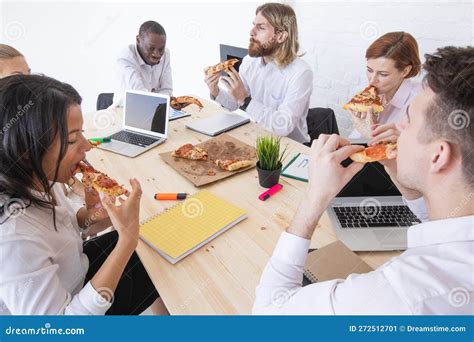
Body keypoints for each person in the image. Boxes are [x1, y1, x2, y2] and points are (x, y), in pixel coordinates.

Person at [253, 46, 473, 315]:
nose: (398, 128)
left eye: (409, 121)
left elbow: (267, 312)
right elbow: (446, 219)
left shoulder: (402, 297)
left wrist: (314, 197)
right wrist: (400, 169)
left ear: (438, 155)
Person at [0, 75, 168, 315]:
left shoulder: (41, 176)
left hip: (75, 267)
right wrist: (126, 242)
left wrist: (90, 217)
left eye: (82, 133)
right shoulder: (12, 239)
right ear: (26, 151)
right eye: (71, 140)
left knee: (158, 244)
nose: (87, 146)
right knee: (153, 260)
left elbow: (64, 231)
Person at [204, 3, 313, 144]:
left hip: (290, 147)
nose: (251, 32)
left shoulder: (301, 72)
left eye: (261, 27)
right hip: (257, 138)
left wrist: (246, 100)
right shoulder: (250, 61)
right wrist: (215, 91)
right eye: (254, 25)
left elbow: (283, 126)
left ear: (280, 36)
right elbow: (234, 103)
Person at [348, 32, 421, 142]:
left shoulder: (420, 104)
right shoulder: (371, 96)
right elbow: (354, 143)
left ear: (405, 71)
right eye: (369, 70)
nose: (372, 80)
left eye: (383, 74)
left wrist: (369, 134)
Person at [112, 21, 173, 107]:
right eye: (151, 48)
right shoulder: (126, 56)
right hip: (122, 110)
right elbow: (140, 96)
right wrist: (160, 99)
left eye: (161, 49)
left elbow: (167, 90)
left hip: (154, 109)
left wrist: (161, 100)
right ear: (138, 40)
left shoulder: (166, 54)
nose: (157, 54)